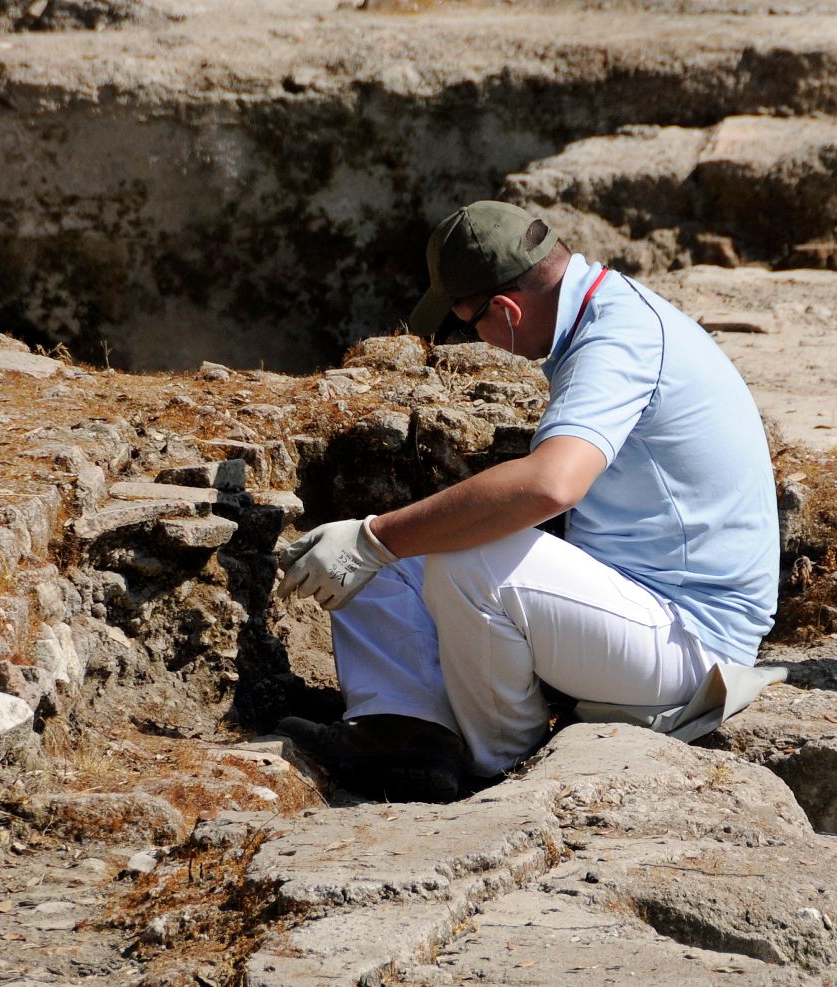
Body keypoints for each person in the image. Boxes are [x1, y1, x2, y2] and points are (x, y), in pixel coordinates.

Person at [275, 200, 778, 800]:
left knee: (462, 558)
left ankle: (501, 767)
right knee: (408, 541)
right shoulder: (606, 314)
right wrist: (377, 539)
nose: (472, 340)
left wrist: (376, 538)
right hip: (643, 607)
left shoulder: (618, 341)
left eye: (468, 323)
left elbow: (551, 484)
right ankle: (407, 734)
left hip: (693, 641)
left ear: (507, 310)